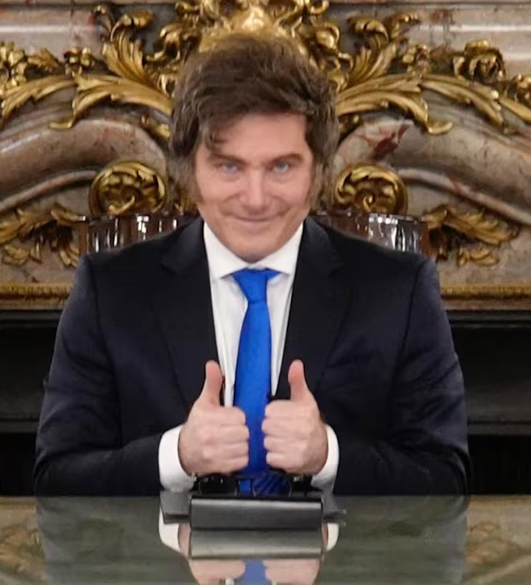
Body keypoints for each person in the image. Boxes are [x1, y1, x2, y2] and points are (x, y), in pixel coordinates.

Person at [33, 32, 470, 496]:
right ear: (189, 172)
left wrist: (329, 456)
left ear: (318, 172)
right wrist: (176, 456)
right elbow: (55, 480)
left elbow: (448, 480)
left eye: (281, 167)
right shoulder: (110, 291)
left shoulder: (400, 291)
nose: (256, 199)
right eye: (229, 166)